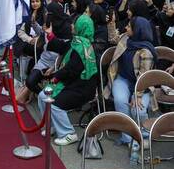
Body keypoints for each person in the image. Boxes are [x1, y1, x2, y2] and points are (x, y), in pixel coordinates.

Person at [38, 15, 98, 146]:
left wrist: (55, 76)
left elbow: (71, 70)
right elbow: (62, 47)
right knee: (42, 95)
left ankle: (68, 133)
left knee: (53, 103)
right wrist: (50, 36)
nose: (71, 26)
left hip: (82, 88)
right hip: (73, 83)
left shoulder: (81, 47)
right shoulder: (78, 41)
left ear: (80, 27)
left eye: (74, 24)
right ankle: (52, 126)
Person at [105, 16, 158, 148]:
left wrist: (137, 95)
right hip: (123, 79)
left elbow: (144, 77)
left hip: (142, 85)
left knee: (137, 110)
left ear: (137, 30)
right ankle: (127, 138)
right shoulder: (126, 38)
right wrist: (111, 23)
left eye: (129, 26)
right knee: (120, 101)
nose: (126, 27)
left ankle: (143, 133)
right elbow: (112, 39)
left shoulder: (146, 51)